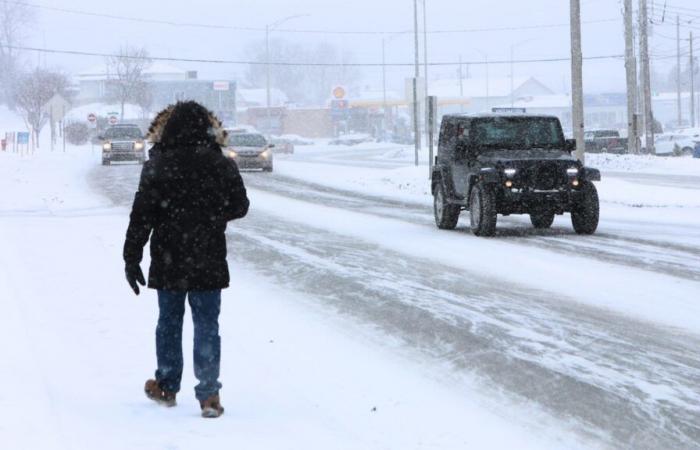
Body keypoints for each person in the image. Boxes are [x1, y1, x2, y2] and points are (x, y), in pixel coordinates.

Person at [123, 101, 249, 418]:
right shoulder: (221, 164)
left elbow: (141, 216)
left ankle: (166, 386)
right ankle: (209, 395)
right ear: (208, 129)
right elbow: (240, 206)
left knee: (169, 323)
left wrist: (131, 256)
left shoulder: (157, 165)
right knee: (207, 325)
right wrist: (209, 216)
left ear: (168, 129)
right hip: (208, 256)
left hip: (168, 258)